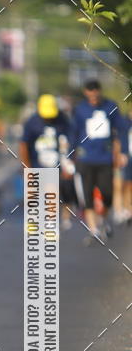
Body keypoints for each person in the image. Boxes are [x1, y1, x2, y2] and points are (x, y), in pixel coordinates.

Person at [71, 79, 128, 242]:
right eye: (90, 94)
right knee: (87, 194)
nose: (93, 97)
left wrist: (123, 152)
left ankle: (103, 219)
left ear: (99, 91)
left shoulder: (111, 107)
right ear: (85, 93)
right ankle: (93, 229)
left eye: (96, 93)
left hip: (105, 157)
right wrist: (69, 155)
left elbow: (122, 129)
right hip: (85, 158)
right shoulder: (80, 109)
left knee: (107, 192)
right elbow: (73, 132)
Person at [19, 94, 78, 229]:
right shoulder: (32, 122)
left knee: (51, 192)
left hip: (55, 164)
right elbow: (23, 144)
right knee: (33, 193)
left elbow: (68, 142)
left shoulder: (63, 120)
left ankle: (50, 224)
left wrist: (68, 163)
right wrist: (26, 166)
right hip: (36, 163)